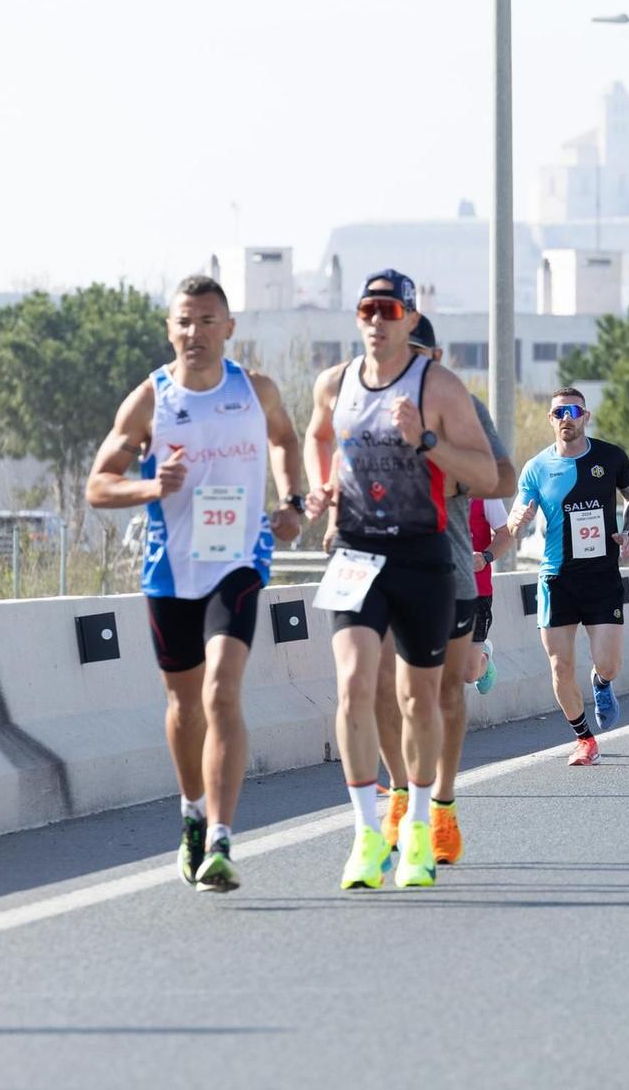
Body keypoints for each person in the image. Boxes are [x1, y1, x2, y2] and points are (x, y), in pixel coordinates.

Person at [86, 275, 308, 893]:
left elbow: (286, 440)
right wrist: (151, 486)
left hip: (238, 562)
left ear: (229, 328)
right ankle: (191, 812)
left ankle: (221, 838)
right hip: (169, 569)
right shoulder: (150, 401)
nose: (195, 333)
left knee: (219, 692)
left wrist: (290, 502)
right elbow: (98, 485)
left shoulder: (254, 390)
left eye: (208, 321)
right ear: (169, 328)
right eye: (184, 321)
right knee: (184, 707)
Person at [303, 269, 499, 890]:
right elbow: (317, 437)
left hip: (424, 557)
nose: (377, 318)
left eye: (389, 309)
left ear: (411, 319)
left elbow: (492, 476)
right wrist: (324, 490)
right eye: (368, 307)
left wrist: (427, 441)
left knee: (422, 698)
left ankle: (421, 821)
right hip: (357, 556)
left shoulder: (439, 387)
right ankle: (366, 833)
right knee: (355, 685)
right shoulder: (333, 383)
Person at [372, 314, 517, 861]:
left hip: (449, 566)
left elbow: (501, 477)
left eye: (415, 350)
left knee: (443, 693)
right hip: (377, 568)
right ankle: (401, 795)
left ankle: (443, 809)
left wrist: (442, 459)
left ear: (433, 356)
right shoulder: (365, 399)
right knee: (383, 687)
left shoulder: (462, 404)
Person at [509, 387, 629, 766]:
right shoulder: (536, 467)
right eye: (558, 413)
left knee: (609, 664)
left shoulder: (610, 457)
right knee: (560, 665)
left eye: (573, 411)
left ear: (586, 416)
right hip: (557, 577)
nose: (566, 418)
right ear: (550, 420)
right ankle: (584, 738)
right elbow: (519, 509)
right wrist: (518, 519)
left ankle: (602, 684)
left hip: (601, 576)